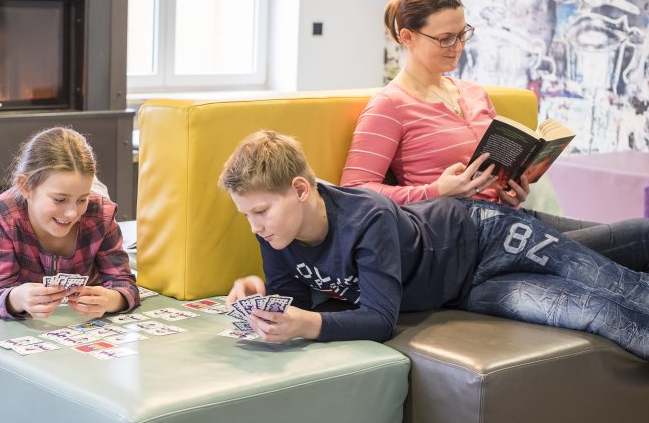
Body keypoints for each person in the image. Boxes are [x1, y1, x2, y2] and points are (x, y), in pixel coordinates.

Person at [220, 130, 648, 359]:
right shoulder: (277, 235)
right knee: (597, 311)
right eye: (247, 215)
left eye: (261, 211)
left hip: (489, 236)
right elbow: (296, 303)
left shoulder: (367, 217)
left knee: (621, 287)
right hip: (465, 290)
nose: (255, 226)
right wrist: (264, 300)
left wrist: (307, 325)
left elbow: (380, 320)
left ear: (300, 189)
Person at [339, 0, 649, 272]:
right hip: (468, 237)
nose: (458, 46)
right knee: (639, 237)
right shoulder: (390, 105)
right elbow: (354, 193)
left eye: (463, 33)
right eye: (445, 38)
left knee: (638, 242)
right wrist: (436, 191)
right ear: (408, 37)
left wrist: (510, 190)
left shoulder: (474, 93)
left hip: (508, 219)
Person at [0, 126, 139, 320]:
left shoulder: (100, 213)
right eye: (59, 199)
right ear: (25, 186)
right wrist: (17, 299)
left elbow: (125, 285)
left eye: (82, 199)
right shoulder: (4, 214)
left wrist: (111, 299)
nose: (72, 213)